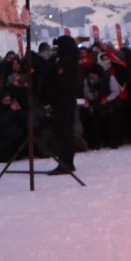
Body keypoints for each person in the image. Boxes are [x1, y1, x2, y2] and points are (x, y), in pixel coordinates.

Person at [47, 36, 82, 174]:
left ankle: (65, 163)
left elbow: (61, 82)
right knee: (65, 133)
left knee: (64, 133)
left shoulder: (67, 62)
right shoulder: (72, 60)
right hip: (66, 100)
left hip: (63, 101)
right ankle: (67, 162)